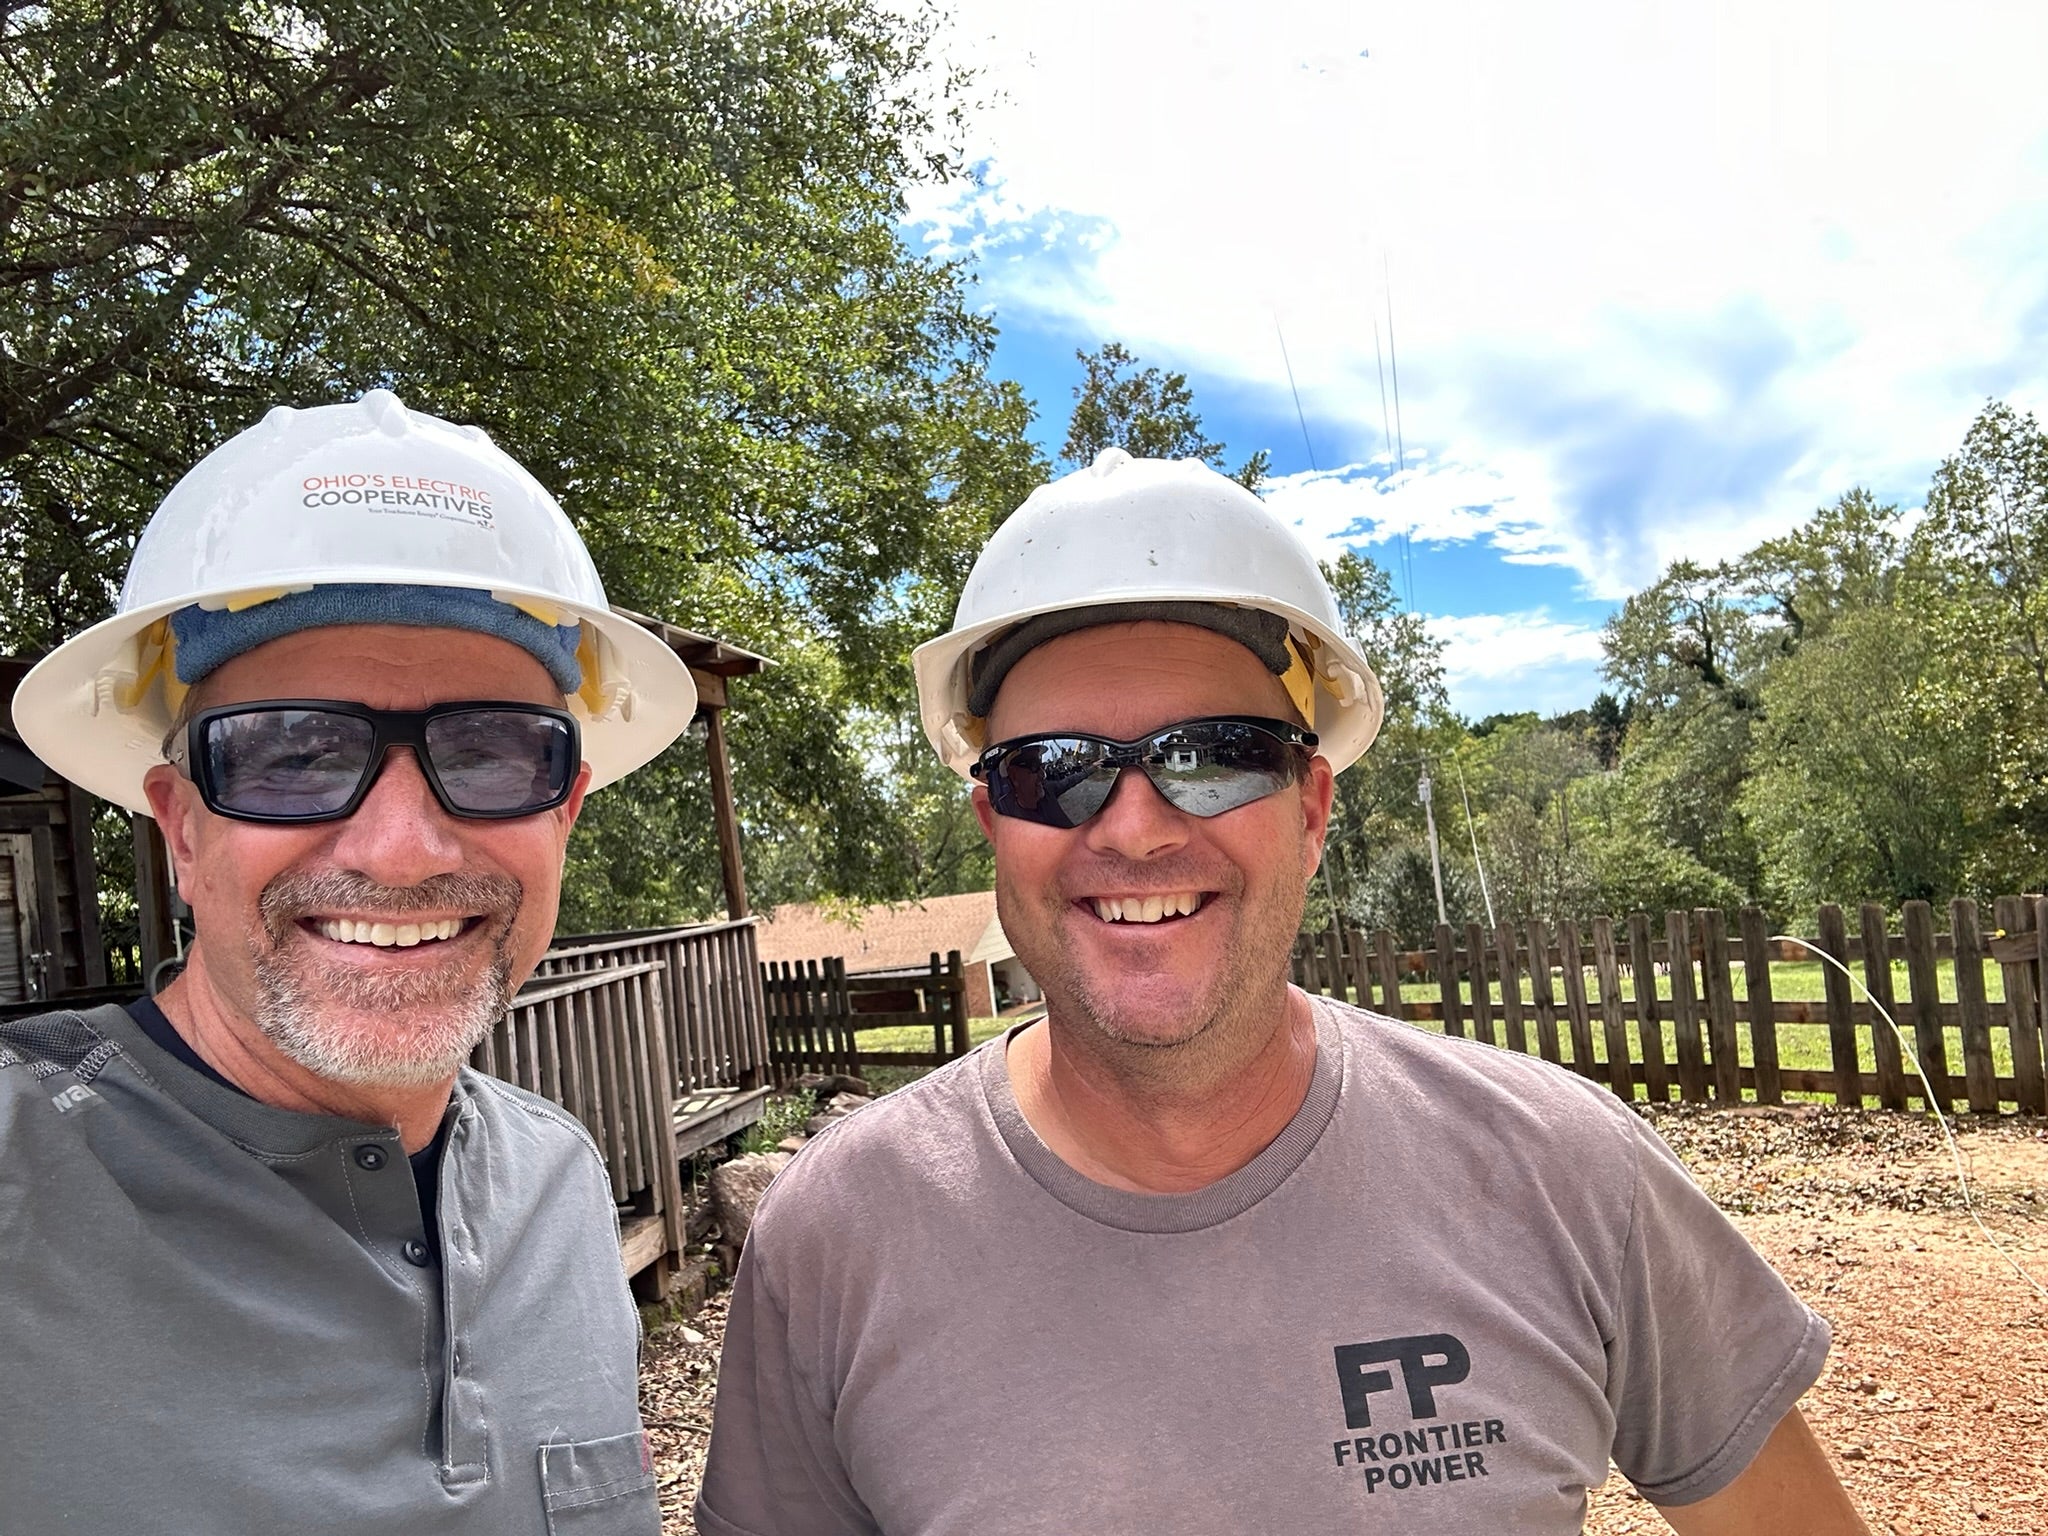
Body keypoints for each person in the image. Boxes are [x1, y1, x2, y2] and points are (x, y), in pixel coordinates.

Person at [697, 449, 1871, 1535]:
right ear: (992, 822)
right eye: (1052, 774)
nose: (1135, 827)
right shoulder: (834, 1239)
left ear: (1311, 810)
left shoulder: (1561, 1171)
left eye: (1211, 757)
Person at [3, 391, 699, 1534]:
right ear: (181, 828)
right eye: (289, 755)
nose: (401, 848)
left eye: (489, 753)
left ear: (564, 814)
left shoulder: (557, 1188)